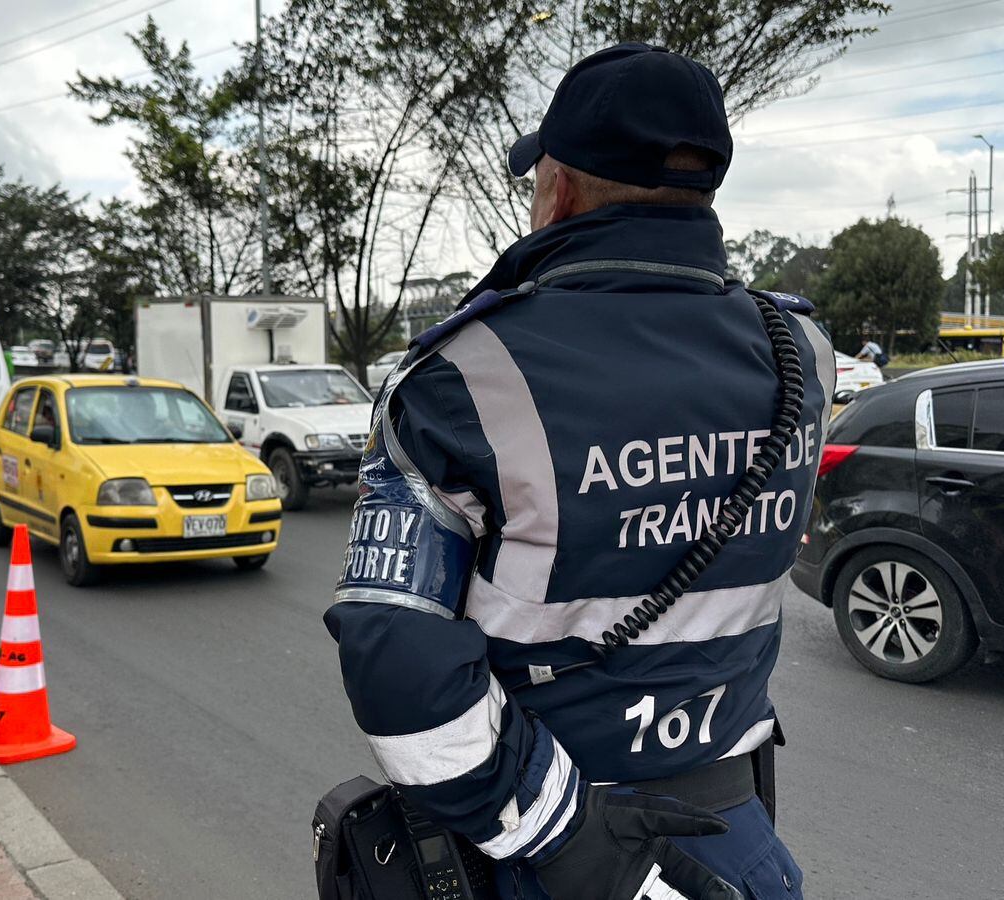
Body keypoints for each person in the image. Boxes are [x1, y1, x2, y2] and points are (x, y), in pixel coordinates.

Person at [325, 44, 836, 900]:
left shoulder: (463, 376)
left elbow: (394, 662)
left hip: (550, 851)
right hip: (737, 845)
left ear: (557, 188)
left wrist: (558, 832)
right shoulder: (805, 353)